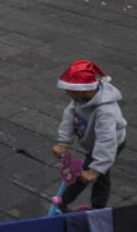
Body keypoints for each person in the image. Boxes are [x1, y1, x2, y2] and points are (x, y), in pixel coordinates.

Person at [52, 60, 127, 210]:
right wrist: (63, 143)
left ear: (81, 90)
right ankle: (96, 206)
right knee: (100, 175)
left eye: (69, 90)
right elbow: (69, 116)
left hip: (111, 143)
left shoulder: (105, 112)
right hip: (92, 140)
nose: (67, 94)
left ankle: (64, 202)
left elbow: (106, 140)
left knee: (90, 173)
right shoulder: (79, 99)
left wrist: (96, 169)